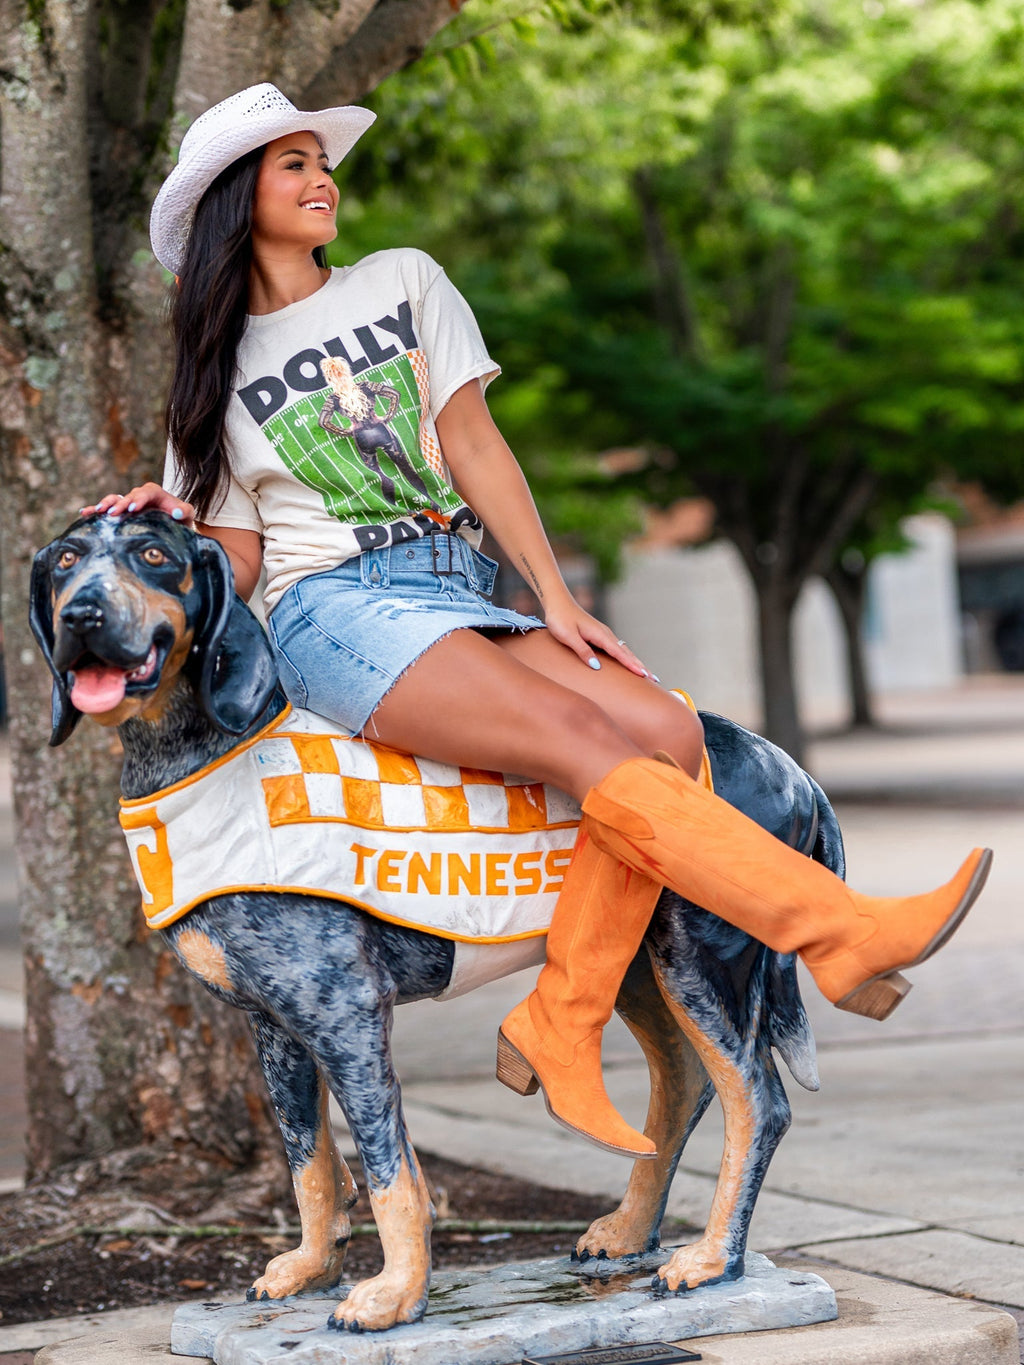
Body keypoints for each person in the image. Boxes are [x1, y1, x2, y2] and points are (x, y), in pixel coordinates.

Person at [88, 83, 991, 1162]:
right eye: (294, 165)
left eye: (321, 161)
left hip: (454, 585)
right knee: (578, 742)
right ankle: (838, 930)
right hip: (332, 610)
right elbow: (239, 559)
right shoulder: (215, 375)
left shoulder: (401, 280)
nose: (322, 178)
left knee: (666, 732)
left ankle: (561, 1017)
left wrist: (555, 598)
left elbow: (475, 445)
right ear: (240, 198)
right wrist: (168, 521)